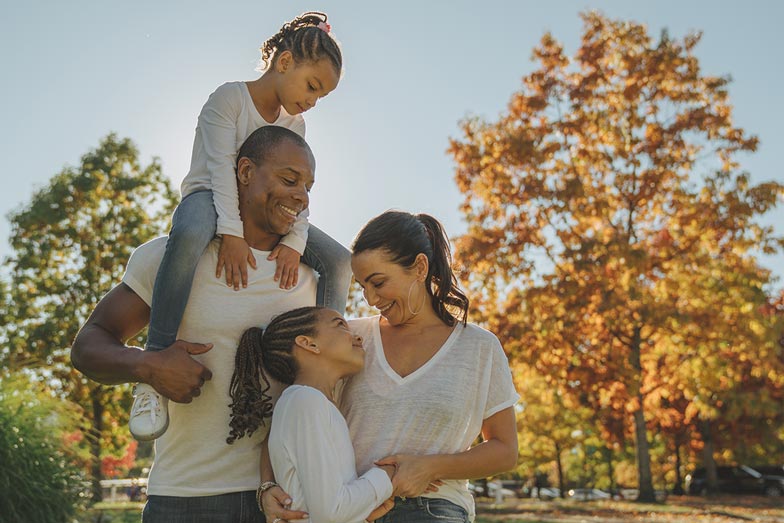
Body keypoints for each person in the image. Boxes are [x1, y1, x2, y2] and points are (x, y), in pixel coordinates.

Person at [71, 126, 319, 522]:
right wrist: (148, 365)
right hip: (183, 499)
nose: (302, 196)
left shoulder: (312, 280)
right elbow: (88, 345)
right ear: (245, 172)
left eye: (308, 187)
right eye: (289, 180)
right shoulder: (171, 260)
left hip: (285, 500)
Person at [132, 11, 351, 442]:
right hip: (208, 198)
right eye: (312, 86)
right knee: (191, 232)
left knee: (340, 262)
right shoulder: (229, 99)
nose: (313, 101)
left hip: (267, 210)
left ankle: (324, 377)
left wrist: (295, 239)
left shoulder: (295, 123)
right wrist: (231, 235)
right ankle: (153, 365)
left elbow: (298, 187)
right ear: (284, 62)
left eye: (322, 95)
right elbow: (220, 172)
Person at [261, 210, 520, 523]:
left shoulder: (479, 347)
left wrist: (430, 467)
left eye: (378, 282)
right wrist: (267, 486)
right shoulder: (350, 340)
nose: (370, 298)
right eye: (362, 287)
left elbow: (505, 450)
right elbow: (289, 417)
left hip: (434, 507)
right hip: (355, 510)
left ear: (420, 267)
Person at [227, 306, 397, 523]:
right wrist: (388, 474)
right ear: (308, 343)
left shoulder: (311, 402)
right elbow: (331, 512)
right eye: (340, 325)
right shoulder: (305, 401)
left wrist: (362, 515)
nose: (357, 336)